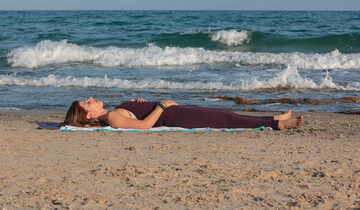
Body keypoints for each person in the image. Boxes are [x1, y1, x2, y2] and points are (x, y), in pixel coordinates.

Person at [63, 97, 303, 130]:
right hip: (172, 116)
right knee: (226, 120)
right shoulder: (111, 118)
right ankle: (278, 125)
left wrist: (138, 102)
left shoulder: (113, 111)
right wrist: (161, 106)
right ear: (86, 116)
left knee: (223, 114)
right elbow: (145, 126)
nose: (92, 99)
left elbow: (137, 113)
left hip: (172, 112)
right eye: (87, 102)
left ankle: (274, 119)